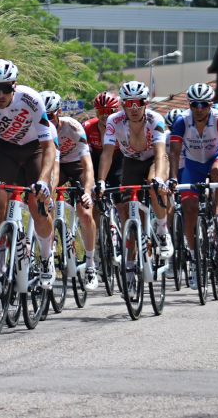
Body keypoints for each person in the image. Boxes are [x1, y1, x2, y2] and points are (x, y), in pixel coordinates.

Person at [0, 59, 57, 291]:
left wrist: (43, 181)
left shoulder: (31, 99)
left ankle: (47, 259)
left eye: (5, 88)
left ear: (14, 86)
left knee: (37, 205)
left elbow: (49, 147)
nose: (0, 94)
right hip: (3, 149)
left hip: (34, 149)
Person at [95, 81, 172, 270]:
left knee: (152, 185)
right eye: (130, 103)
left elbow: (161, 152)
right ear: (123, 105)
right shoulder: (114, 121)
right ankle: (130, 262)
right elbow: (106, 154)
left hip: (155, 159)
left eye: (138, 102)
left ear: (146, 102)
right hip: (131, 161)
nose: (135, 107)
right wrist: (101, 182)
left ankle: (163, 232)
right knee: (130, 212)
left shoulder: (155, 119)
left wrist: (160, 179)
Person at [168, 83, 218, 289]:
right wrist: (173, 178)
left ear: (211, 104)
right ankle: (195, 258)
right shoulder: (182, 120)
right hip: (193, 164)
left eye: (204, 104)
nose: (199, 108)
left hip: (217, 158)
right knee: (189, 210)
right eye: (195, 104)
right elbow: (173, 153)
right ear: (190, 104)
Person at [40, 91, 98, 289]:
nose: (47, 120)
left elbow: (88, 165)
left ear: (59, 112)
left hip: (75, 165)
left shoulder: (73, 127)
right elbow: (52, 170)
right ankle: (50, 242)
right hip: (54, 166)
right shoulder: (37, 128)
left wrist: (88, 192)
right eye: (43, 116)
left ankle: (90, 265)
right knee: (45, 201)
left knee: (85, 213)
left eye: (51, 116)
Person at [84, 92, 124, 224]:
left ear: (116, 111)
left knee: (121, 203)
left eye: (109, 111)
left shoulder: (123, 125)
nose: (105, 115)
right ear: (96, 112)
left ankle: (128, 239)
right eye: (101, 111)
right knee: (95, 200)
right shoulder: (88, 127)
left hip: (118, 162)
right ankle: (96, 239)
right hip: (96, 162)